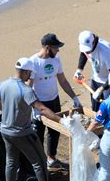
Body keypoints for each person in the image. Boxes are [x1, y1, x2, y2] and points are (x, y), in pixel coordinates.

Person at [0, 57, 63, 181]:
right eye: (30, 73)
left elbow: (0, 106)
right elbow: (42, 108)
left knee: (11, 162)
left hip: (5, 131)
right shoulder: (26, 90)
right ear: (25, 72)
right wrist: (61, 121)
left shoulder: (2, 85)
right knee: (39, 162)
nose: (30, 77)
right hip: (22, 132)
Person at [29, 33, 82, 169]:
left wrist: (74, 97)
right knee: (38, 134)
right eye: (56, 47)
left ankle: (51, 159)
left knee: (55, 131)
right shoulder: (33, 62)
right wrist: (33, 107)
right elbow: (28, 87)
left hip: (53, 99)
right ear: (47, 47)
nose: (58, 50)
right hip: (39, 103)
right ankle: (40, 163)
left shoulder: (56, 59)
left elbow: (63, 81)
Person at [74, 30, 110, 111]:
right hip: (96, 77)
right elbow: (84, 53)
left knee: (109, 107)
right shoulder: (87, 48)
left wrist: (101, 89)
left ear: (94, 42)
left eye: (88, 49)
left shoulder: (105, 51)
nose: (87, 52)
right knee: (95, 105)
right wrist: (79, 70)